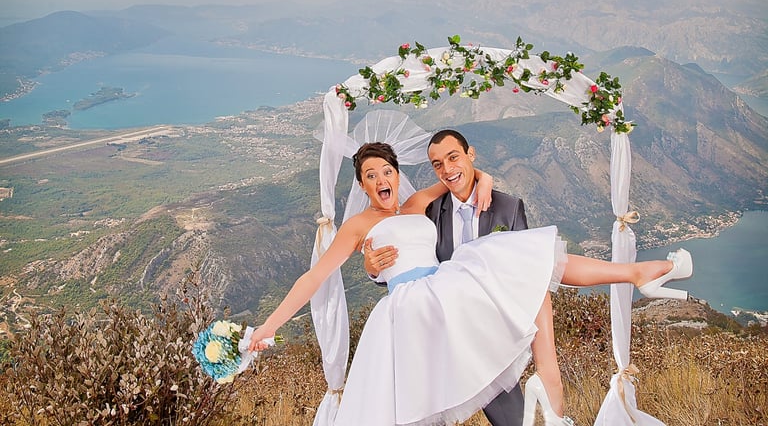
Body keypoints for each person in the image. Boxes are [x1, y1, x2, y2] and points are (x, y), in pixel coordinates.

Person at [248, 142, 693, 426]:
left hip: (444, 290)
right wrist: (269, 325)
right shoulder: (358, 225)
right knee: (408, 407)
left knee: (523, 257)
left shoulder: (418, 202)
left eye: (386, 171)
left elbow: (457, 177)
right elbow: (315, 277)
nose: (381, 180)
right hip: (408, 312)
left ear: (397, 175)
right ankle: (629, 286)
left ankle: (635, 273)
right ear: (362, 184)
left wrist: (485, 177)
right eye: (371, 175)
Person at [363, 128, 529, 426]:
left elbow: (527, 271)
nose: (446, 169)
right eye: (437, 164)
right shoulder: (428, 211)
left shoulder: (508, 208)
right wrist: (374, 270)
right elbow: (405, 254)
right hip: (434, 330)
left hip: (486, 334)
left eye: (453, 158)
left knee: (511, 419)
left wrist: (484, 178)